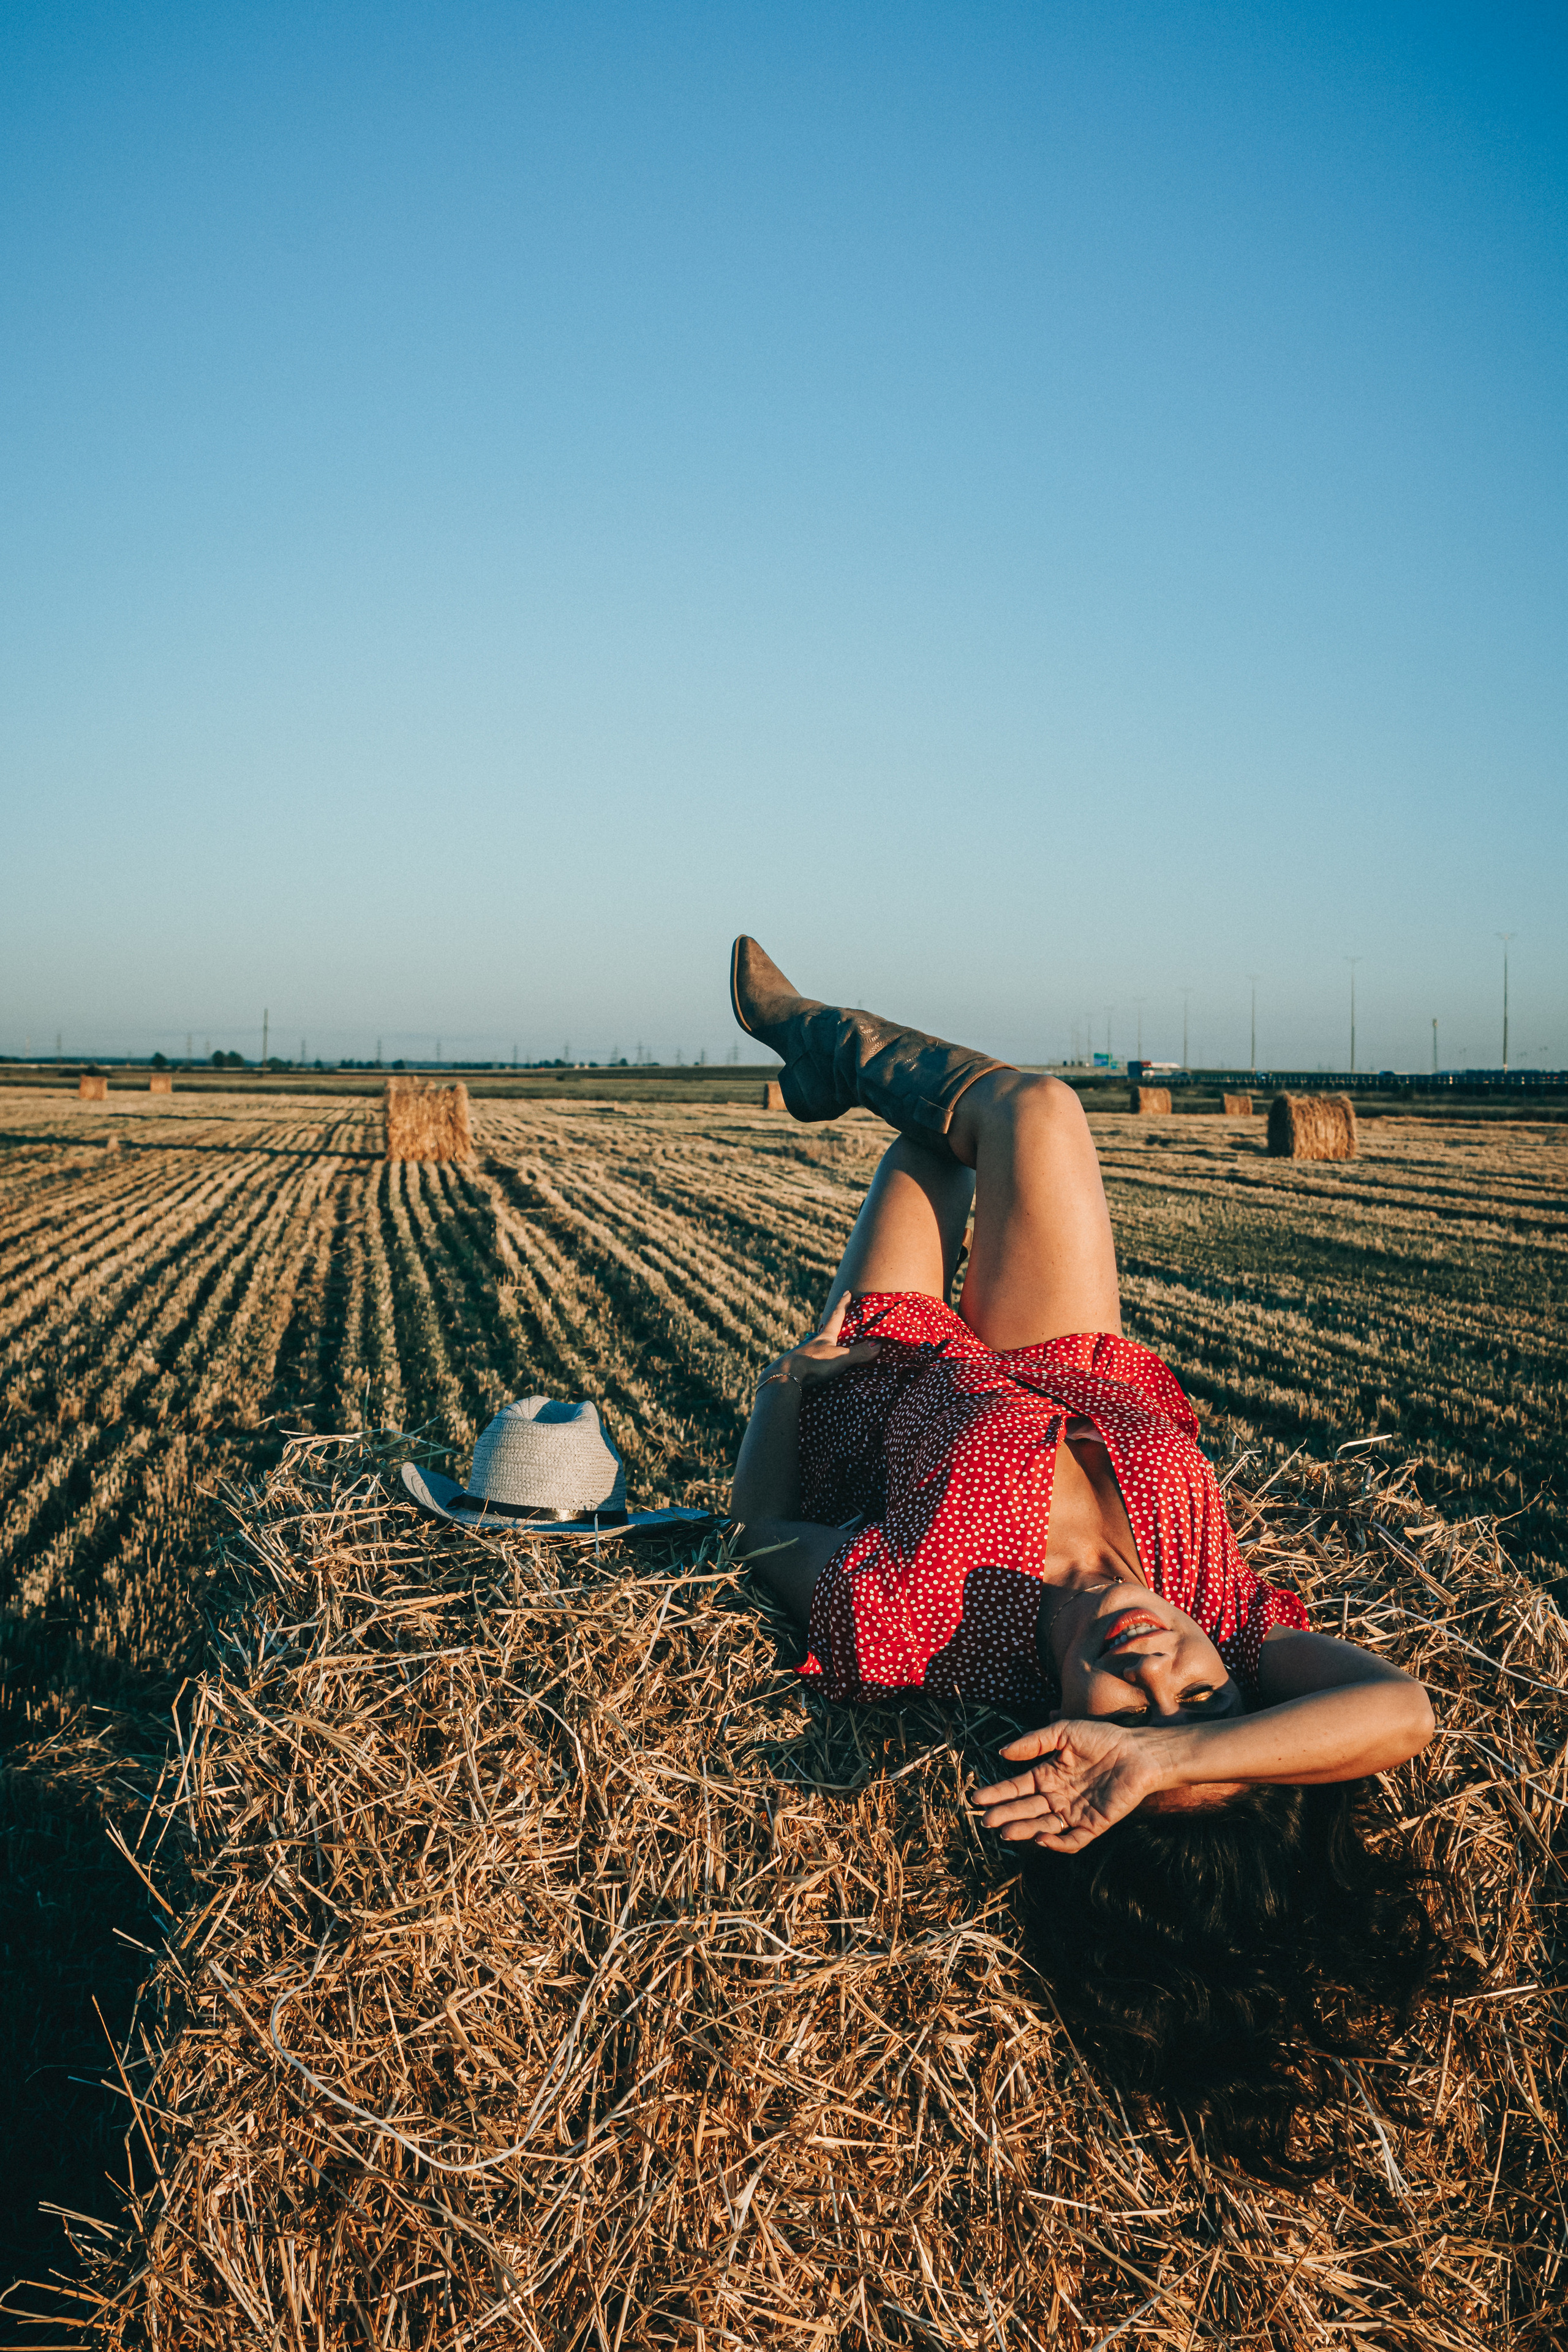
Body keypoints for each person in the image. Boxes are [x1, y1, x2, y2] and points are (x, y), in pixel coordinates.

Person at [727, 937, 1449, 2174]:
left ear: (1065, 1728)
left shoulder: (924, 1634)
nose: (1157, 1663)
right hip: (1066, 1361)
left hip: (888, 1375)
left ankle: (820, 1058)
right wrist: (1169, 1749)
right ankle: (814, 1033)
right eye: (1191, 1699)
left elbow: (757, 1537)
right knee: (1034, 1109)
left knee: (929, 1147)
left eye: (1124, 1705)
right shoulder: (1221, 1618)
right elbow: (1404, 1713)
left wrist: (788, 1379)